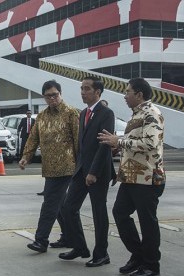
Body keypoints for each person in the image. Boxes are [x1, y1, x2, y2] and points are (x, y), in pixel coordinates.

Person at [98, 78, 165, 276]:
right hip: (131, 177)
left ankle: (152, 265)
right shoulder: (136, 114)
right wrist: (117, 146)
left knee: (147, 221)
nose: (125, 96)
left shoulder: (152, 113)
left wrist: (119, 140)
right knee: (120, 213)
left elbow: (150, 143)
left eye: (128, 92)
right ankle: (138, 255)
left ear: (139, 95)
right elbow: (134, 144)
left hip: (147, 178)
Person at [59, 76, 115, 267]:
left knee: (98, 213)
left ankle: (102, 253)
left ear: (97, 92)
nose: (82, 92)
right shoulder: (83, 113)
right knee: (68, 207)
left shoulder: (106, 113)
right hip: (81, 170)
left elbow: (104, 146)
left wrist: (93, 172)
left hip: (97, 172)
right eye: (81, 88)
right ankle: (79, 247)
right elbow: (81, 146)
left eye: (87, 89)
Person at [19, 80, 79, 253]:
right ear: (44, 97)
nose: (52, 98)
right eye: (48, 96)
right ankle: (68, 237)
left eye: (55, 94)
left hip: (67, 166)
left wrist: (81, 166)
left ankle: (41, 240)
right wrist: (26, 157)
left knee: (49, 204)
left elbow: (78, 141)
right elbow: (33, 138)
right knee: (60, 205)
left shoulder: (71, 113)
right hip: (50, 168)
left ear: (60, 94)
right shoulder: (42, 116)